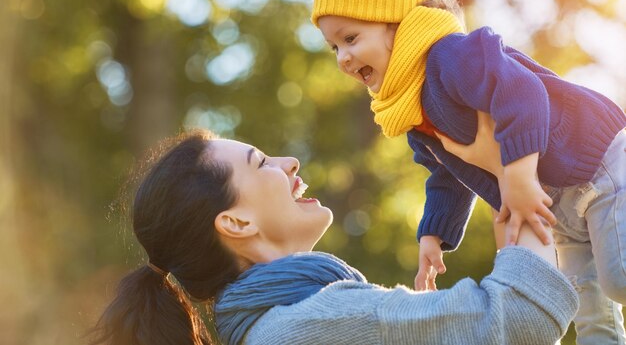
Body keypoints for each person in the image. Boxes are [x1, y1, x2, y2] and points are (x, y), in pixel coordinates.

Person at [310, 0, 626, 344]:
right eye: (333, 47)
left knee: (620, 278)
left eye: (351, 38)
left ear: (395, 24)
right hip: (555, 206)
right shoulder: (413, 111)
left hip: (598, 163)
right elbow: (446, 173)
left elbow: (523, 93)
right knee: (590, 316)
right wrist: (434, 234)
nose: (343, 57)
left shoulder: (450, 56)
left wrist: (516, 177)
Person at [90, 127, 578, 345]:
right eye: (261, 163)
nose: (289, 163)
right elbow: (520, 319)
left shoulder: (282, 328)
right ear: (237, 223)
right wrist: (517, 179)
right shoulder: (310, 325)